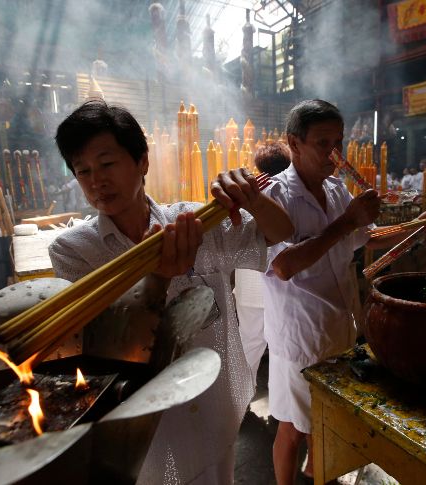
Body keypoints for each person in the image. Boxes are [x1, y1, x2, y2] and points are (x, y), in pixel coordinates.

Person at [47, 100, 293, 485]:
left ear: (142, 161)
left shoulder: (194, 221)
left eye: (107, 164)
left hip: (214, 403)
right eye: (83, 171)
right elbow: (101, 344)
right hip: (145, 419)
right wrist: (157, 281)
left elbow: (281, 232)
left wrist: (253, 198)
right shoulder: (73, 251)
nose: (97, 180)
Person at [261, 99, 426, 485]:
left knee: (324, 424)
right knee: (293, 428)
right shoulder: (275, 198)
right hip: (301, 337)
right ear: (293, 144)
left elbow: (364, 237)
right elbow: (283, 266)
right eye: (322, 143)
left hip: (339, 328)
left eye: (339, 142)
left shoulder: (335, 190)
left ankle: (321, 477)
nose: (335, 154)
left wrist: (416, 225)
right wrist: (346, 222)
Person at [234, 141, 291, 390]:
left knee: (250, 340)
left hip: (250, 279)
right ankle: (282, 399)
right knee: (281, 342)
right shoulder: (288, 191)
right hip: (278, 281)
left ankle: (243, 398)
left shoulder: (248, 191)